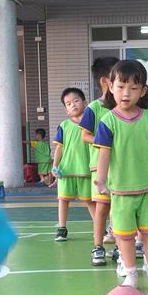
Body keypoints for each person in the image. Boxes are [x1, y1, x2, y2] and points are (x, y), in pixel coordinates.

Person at [94, 59, 148, 291]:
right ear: (110, 86)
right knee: (124, 236)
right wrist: (101, 179)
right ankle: (131, 275)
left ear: (143, 91)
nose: (126, 93)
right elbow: (104, 153)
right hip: (121, 190)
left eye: (133, 88)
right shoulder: (107, 121)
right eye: (120, 86)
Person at [80, 56, 119, 266]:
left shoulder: (122, 107)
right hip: (100, 166)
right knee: (102, 208)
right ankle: (98, 246)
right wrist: (104, 141)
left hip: (121, 167)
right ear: (105, 81)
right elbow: (85, 135)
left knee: (119, 208)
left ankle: (121, 247)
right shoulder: (94, 107)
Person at [52, 88, 94, 242]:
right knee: (63, 200)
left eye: (76, 101)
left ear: (85, 102)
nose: (73, 105)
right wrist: (55, 166)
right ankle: (62, 228)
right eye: (68, 104)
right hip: (66, 171)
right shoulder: (64, 125)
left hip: (86, 170)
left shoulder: (92, 124)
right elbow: (59, 148)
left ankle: (100, 228)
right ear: (66, 110)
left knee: (90, 201)